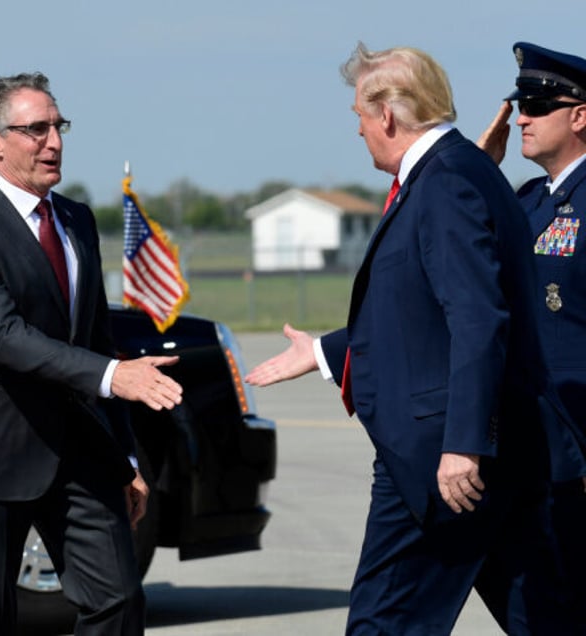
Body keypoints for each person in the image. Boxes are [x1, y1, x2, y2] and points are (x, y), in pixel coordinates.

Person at [245, 43, 582, 635]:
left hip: (444, 464)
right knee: (549, 620)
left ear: (388, 116)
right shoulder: (462, 171)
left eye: (358, 115)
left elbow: (478, 317)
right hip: (484, 454)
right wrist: (327, 351)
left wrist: (464, 444)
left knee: (384, 623)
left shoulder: (447, 181)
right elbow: (419, 318)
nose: (357, 131)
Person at [0, 72, 183, 635]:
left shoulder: (76, 219)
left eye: (58, 127)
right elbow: (4, 336)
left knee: (117, 599)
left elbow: (94, 340)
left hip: (78, 452)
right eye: (35, 130)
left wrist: (126, 457)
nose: (54, 141)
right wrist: (114, 376)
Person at [478, 41, 586, 630]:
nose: (521, 117)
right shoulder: (527, 201)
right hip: (533, 454)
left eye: (539, 105)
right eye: (522, 104)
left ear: (579, 115)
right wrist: (478, 170)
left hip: (574, 450)